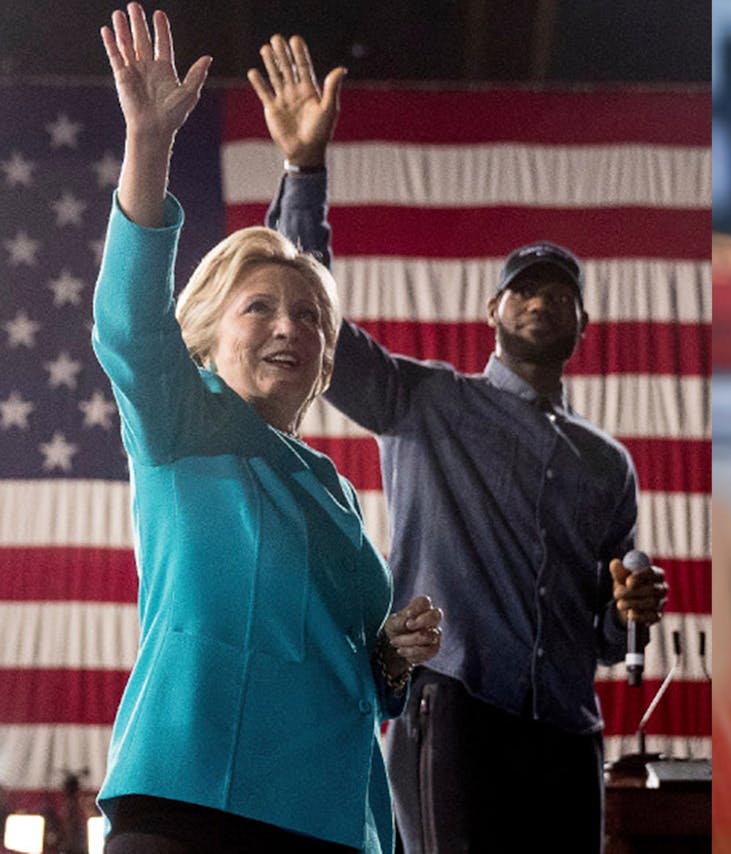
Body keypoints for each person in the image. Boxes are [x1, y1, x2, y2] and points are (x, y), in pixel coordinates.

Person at [247, 34, 669, 852]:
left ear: (583, 323)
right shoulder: (429, 402)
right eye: (523, 287)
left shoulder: (607, 463)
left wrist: (633, 606)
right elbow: (320, 331)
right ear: (493, 313)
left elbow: (613, 630)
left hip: (569, 731)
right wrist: (304, 172)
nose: (540, 298)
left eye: (558, 291)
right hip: (456, 708)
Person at [91, 6, 443, 852]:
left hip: (329, 818)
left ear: (325, 358)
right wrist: (149, 143)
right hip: (191, 803)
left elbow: (352, 672)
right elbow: (128, 323)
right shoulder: (180, 421)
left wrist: (391, 656)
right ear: (207, 333)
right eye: (261, 308)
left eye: (308, 316)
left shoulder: (333, 489)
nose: (289, 327)